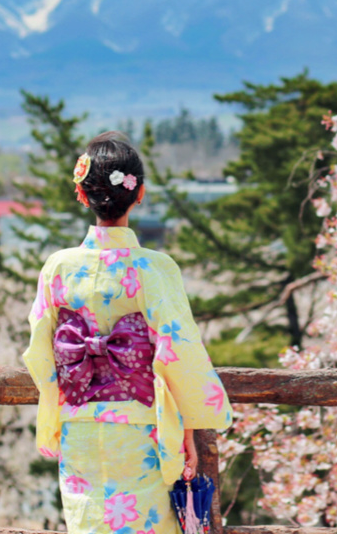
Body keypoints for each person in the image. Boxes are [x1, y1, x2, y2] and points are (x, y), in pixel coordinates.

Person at [23, 131, 232, 534]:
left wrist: (56, 407)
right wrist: (187, 427)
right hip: (142, 429)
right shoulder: (154, 268)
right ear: (140, 195)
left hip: (79, 425)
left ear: (82, 195)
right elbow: (179, 351)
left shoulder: (58, 267)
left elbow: (39, 352)